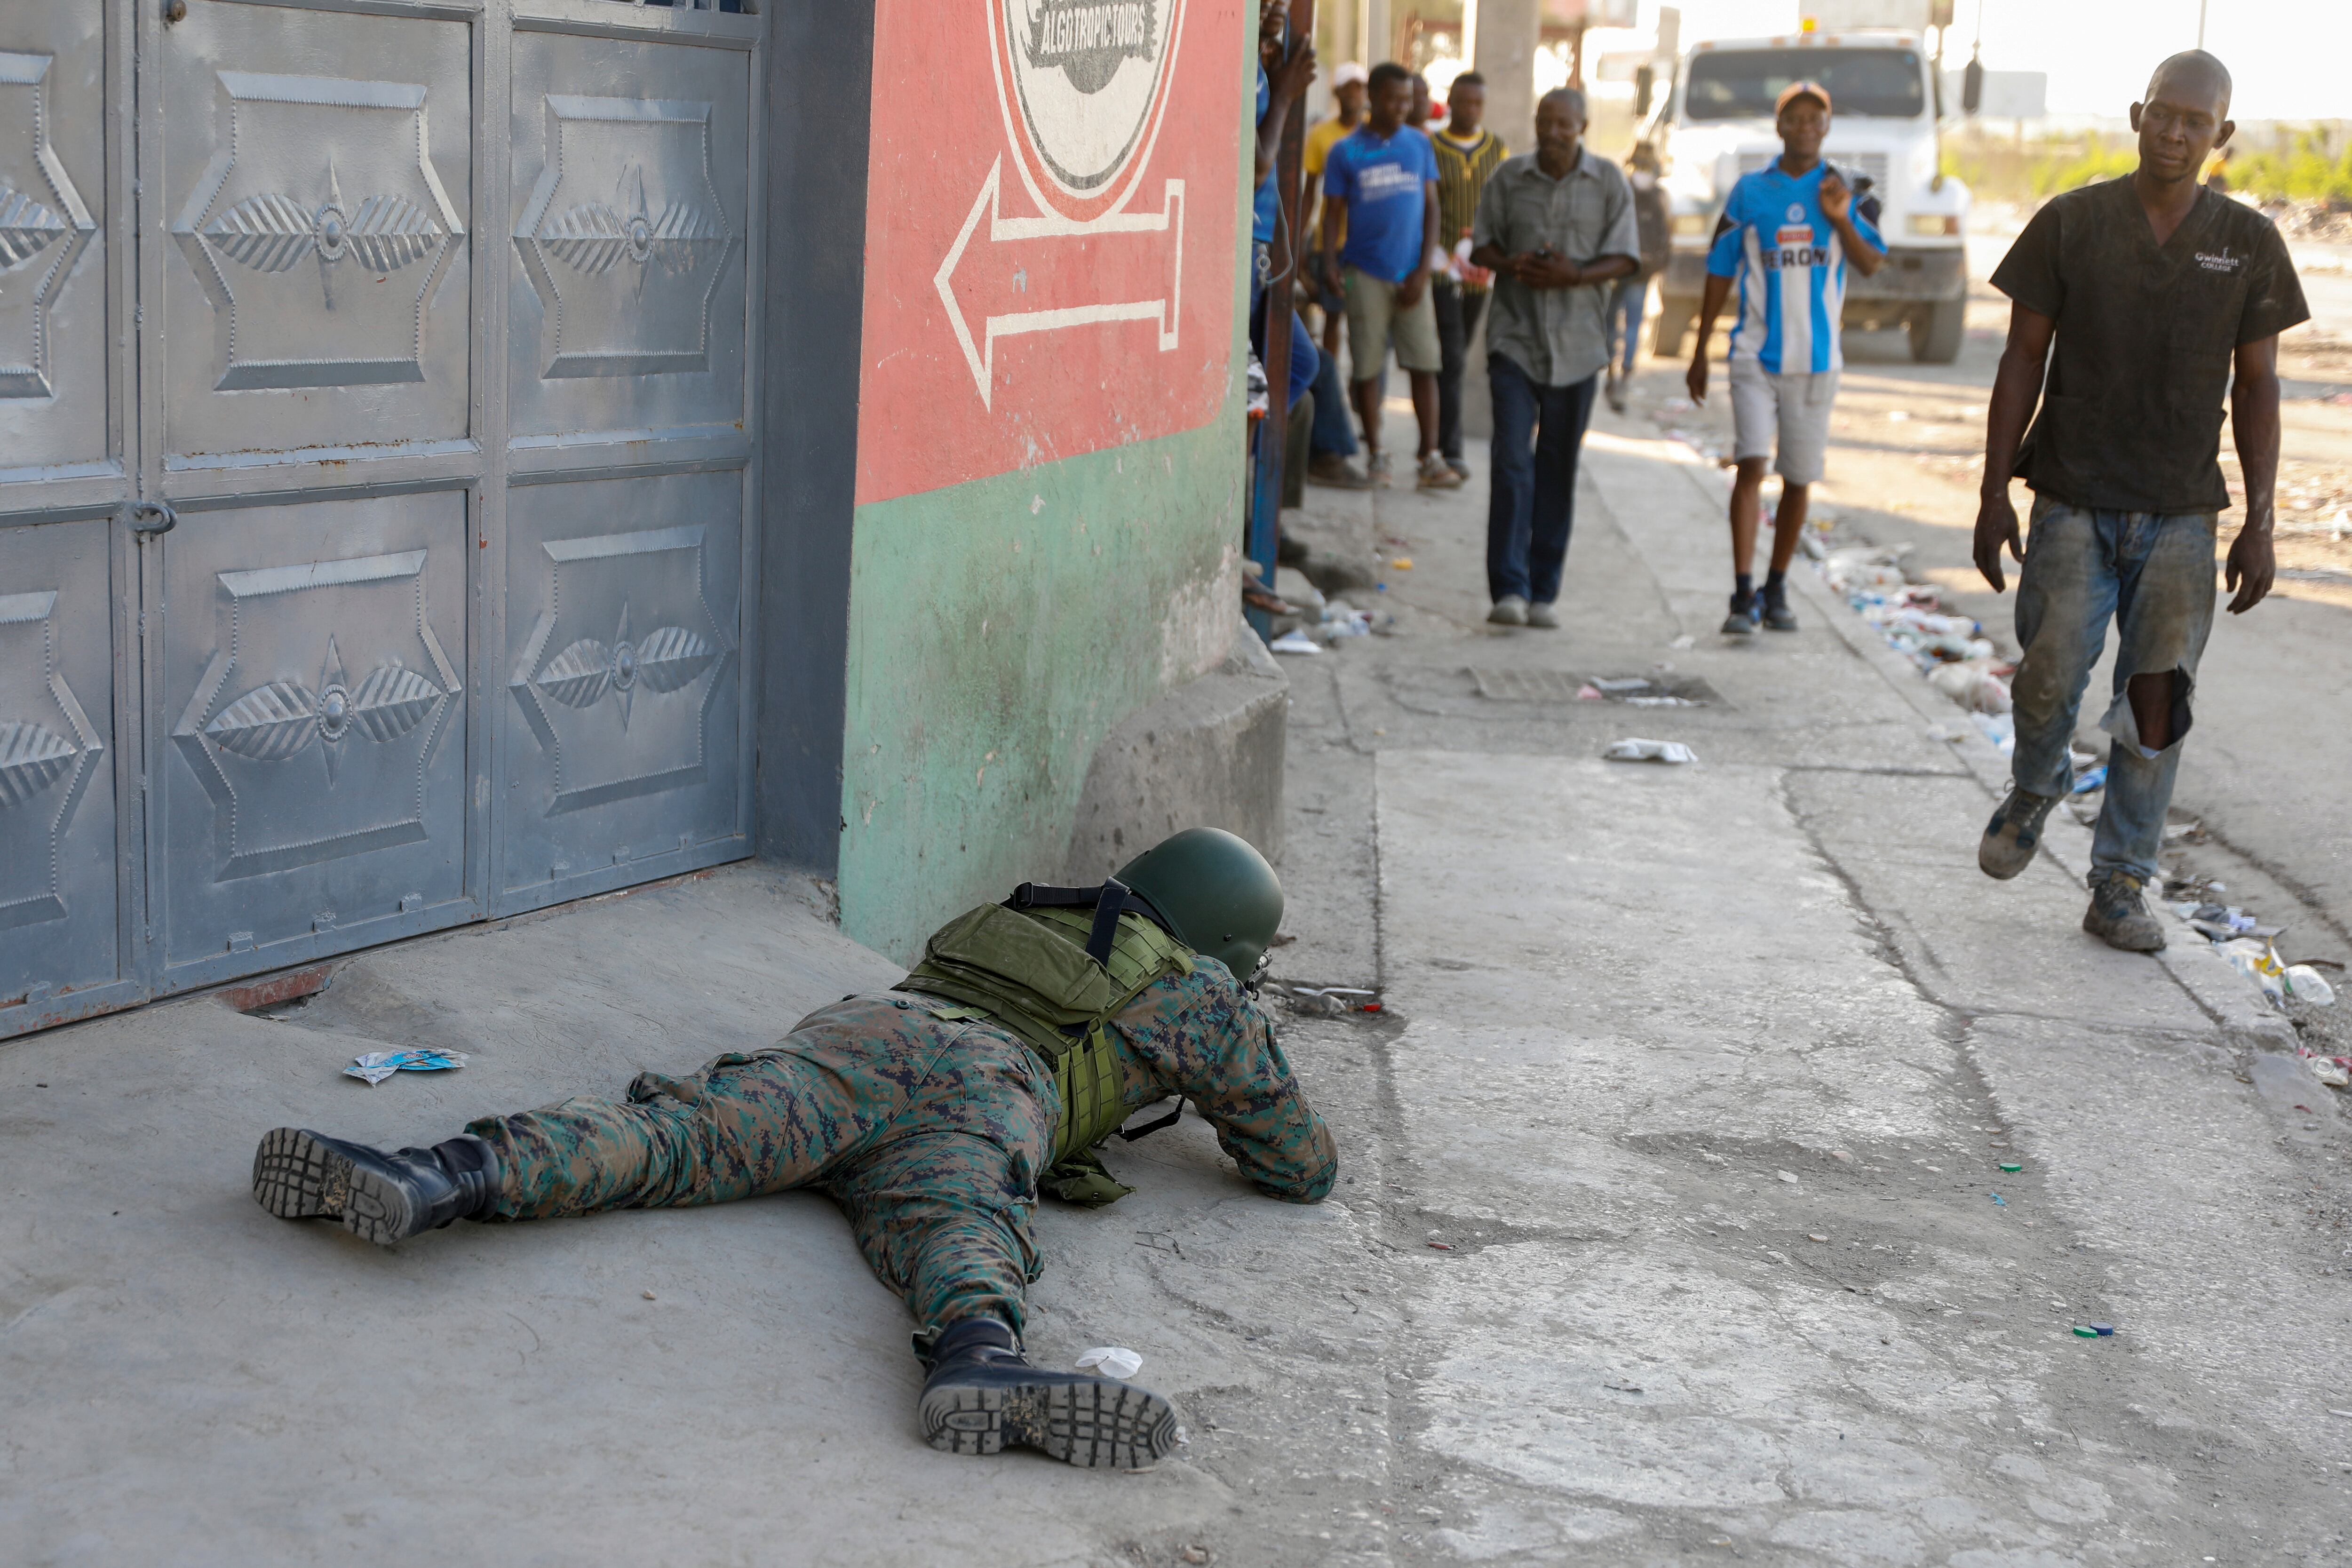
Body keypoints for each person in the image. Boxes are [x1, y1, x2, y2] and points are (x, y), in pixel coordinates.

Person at [250, 829, 1339, 1470]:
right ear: (1229, 940)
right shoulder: (1200, 994)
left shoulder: (1028, 906)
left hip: (860, 1037)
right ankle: (978, 1361)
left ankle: (434, 1173)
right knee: (965, 1221)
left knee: (675, 1134)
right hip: (989, 1084)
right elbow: (1300, 1166)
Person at [1972, 51, 2303, 952]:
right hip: (2073, 496)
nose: (2175, 133)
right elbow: (2021, 359)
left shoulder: (2248, 243)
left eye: (2196, 122)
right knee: (2048, 675)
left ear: (2222, 135)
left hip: (2183, 515)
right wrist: (1994, 492)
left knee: (2157, 703)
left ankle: (2120, 883)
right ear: (2137, 114)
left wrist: (2260, 522)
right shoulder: (2072, 222)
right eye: (2163, 114)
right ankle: (2037, 783)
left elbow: (2260, 386)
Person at [1685, 81, 1884, 637]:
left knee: (1797, 479)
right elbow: (1719, 271)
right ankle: (1741, 593)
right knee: (1751, 464)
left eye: (1813, 119)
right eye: (1793, 118)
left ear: (1826, 128)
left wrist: (1839, 217)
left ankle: (1775, 588)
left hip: (1817, 362)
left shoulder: (1847, 192)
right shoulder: (1750, 193)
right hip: (1753, 355)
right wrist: (1699, 350)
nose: (1803, 127)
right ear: (1779, 127)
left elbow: (1870, 263)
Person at [1467, 88, 1639, 628]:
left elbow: (1625, 258)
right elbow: (1481, 246)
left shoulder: (1608, 181)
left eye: (1564, 124)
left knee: (1557, 467)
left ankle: (1543, 592)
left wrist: (1575, 274)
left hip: (1578, 347)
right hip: (1514, 340)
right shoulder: (1508, 177)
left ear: (1582, 127)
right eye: (1545, 122)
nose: (1552, 133)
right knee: (1511, 462)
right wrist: (1513, 265)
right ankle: (1509, 589)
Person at [1320, 62, 1455, 490]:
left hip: (1412, 273)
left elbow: (1432, 208)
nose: (1402, 108)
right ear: (1373, 98)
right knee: (1367, 365)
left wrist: (1423, 269)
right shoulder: (1345, 152)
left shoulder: (1419, 144)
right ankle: (1377, 452)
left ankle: (1430, 456)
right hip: (1364, 271)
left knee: (1425, 364)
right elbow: (1332, 213)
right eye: (1393, 100)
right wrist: (1329, 262)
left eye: (1408, 100)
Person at [1431, 72, 1508, 481]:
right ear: (1451, 102)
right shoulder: (1433, 147)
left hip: (1480, 267)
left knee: (1457, 353)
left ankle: (1439, 440)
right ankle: (1451, 448)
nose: (1471, 110)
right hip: (1441, 264)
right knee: (1452, 354)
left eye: (1478, 103)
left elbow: (1504, 205)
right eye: (1464, 102)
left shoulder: (1497, 149)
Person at [1304, 63, 1374, 489]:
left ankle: (1361, 407)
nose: (1355, 94)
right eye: (1348, 88)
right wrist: (1300, 249)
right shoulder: (1322, 137)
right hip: (1331, 246)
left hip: (1365, 249)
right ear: (1337, 92)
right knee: (1331, 323)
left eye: (1361, 88)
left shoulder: (1374, 138)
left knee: (1367, 334)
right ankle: (1332, 398)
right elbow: (1309, 194)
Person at [1603, 141, 1669, 414]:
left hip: (1617, 266)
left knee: (1610, 321)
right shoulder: (1660, 195)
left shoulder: (1622, 188)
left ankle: (1610, 371)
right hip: (1644, 269)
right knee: (1633, 324)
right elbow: (1669, 231)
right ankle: (1626, 378)